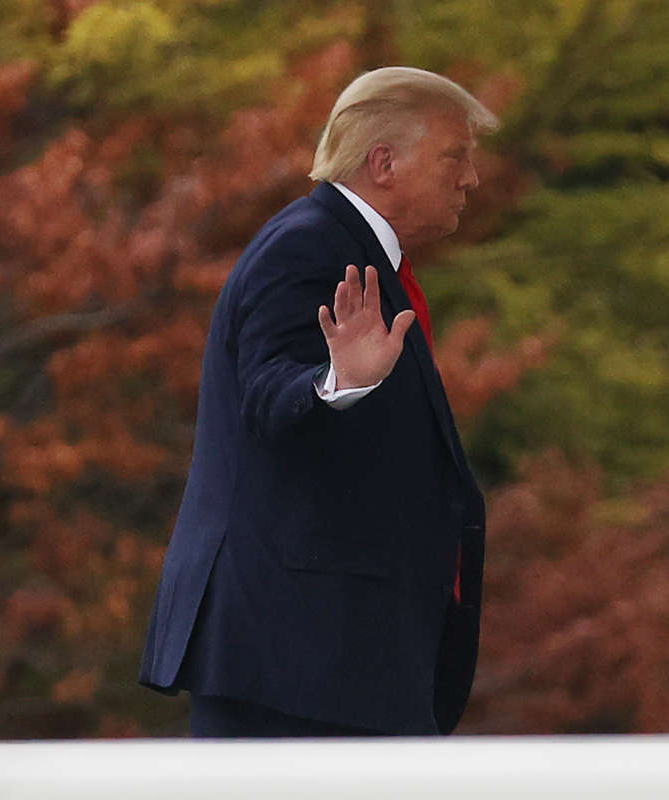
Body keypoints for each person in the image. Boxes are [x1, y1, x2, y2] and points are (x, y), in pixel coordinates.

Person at [138, 67, 499, 737]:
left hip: (332, 660)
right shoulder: (308, 246)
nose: (471, 177)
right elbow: (267, 394)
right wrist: (336, 383)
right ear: (383, 163)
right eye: (455, 155)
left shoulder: (347, 249)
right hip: (296, 663)